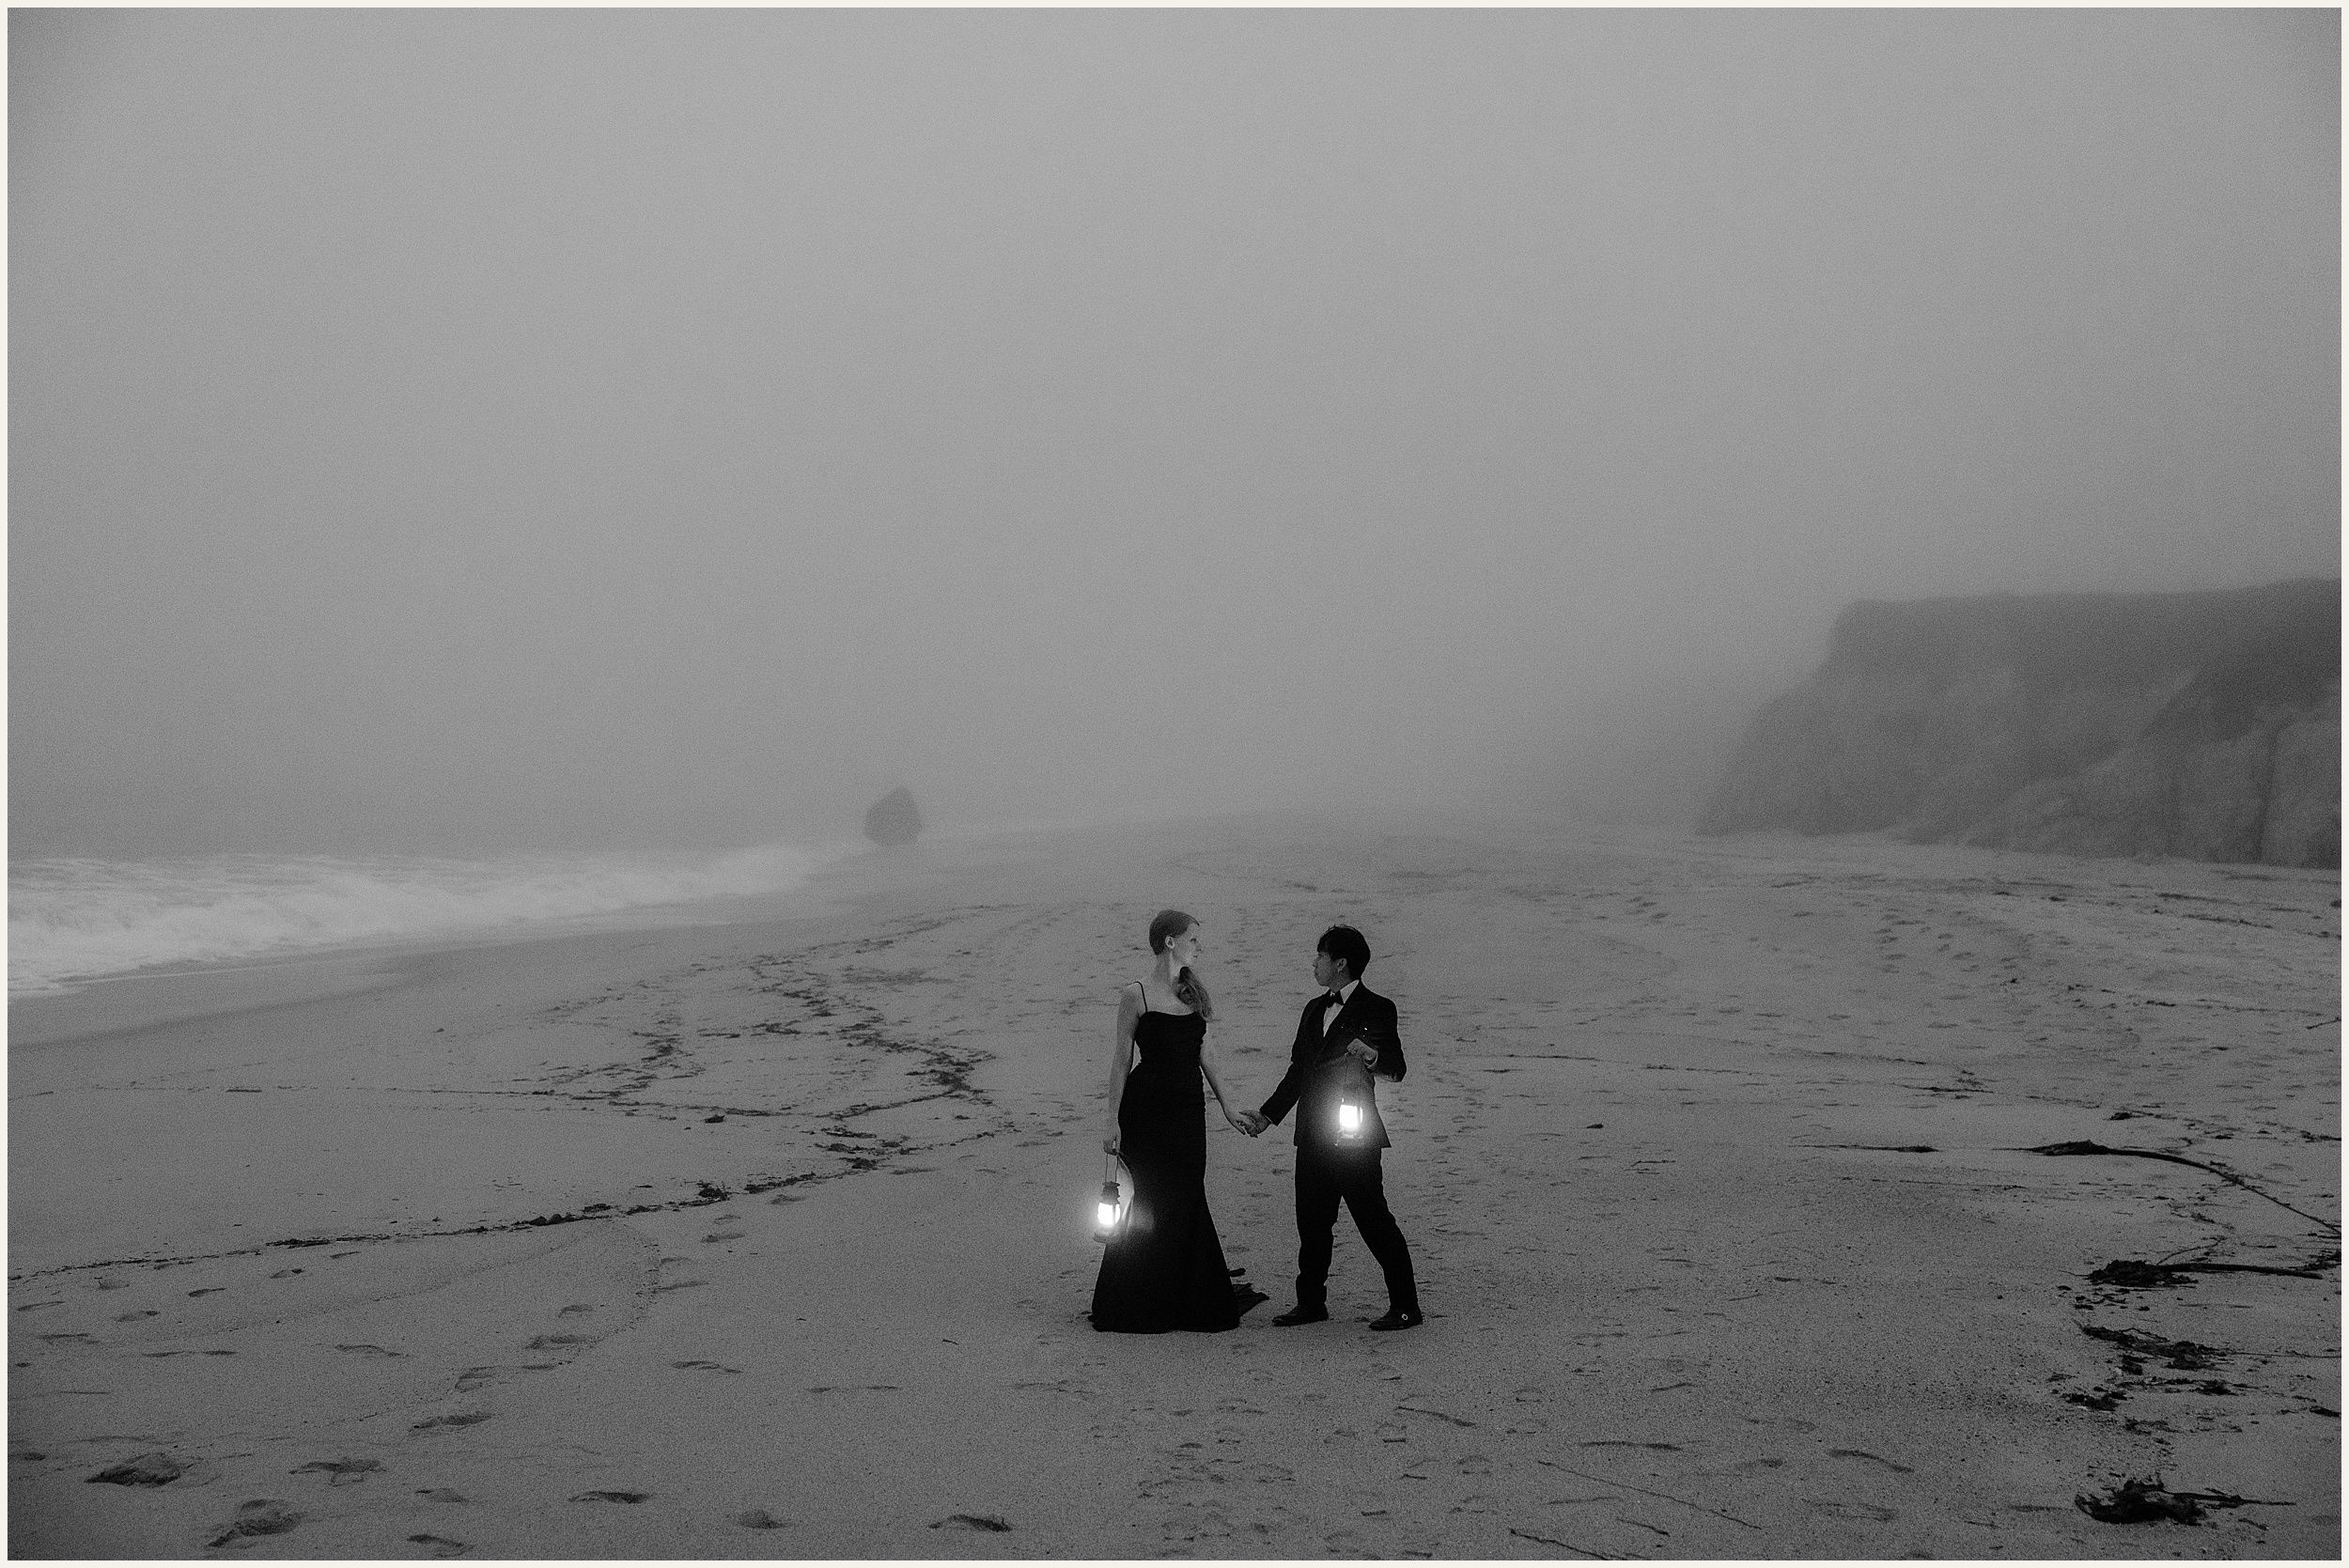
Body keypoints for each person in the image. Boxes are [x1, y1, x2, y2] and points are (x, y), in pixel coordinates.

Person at [1089, 909, 1267, 1333]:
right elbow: (1120, 1061)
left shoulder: (1192, 992)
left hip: (1189, 1113)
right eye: (1193, 939)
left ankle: (1185, 1297)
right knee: (1152, 1200)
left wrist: (1227, 1105)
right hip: (1146, 1113)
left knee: (1187, 1197)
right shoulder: (1136, 995)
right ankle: (1143, 1299)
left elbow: (1205, 1053)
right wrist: (1110, 1118)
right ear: (1170, 941)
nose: (1199, 947)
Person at [1238, 924, 1422, 1330]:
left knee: (1374, 1219)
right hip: (1312, 1133)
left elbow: (1397, 1068)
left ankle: (1407, 1306)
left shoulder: (1378, 1007)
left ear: (1340, 963)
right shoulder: (1313, 1009)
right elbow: (1298, 1071)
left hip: (1353, 1133)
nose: (1315, 963)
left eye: (1320, 956)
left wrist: (1372, 1056)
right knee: (1312, 1223)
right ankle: (1311, 1304)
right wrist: (1268, 1116)